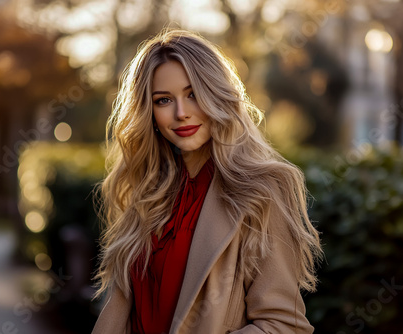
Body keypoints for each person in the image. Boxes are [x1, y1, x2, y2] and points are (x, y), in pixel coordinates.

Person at [91, 29, 323, 334]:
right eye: (163, 100)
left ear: (217, 95)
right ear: (150, 114)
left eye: (193, 94)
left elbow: (282, 325)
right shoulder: (148, 192)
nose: (181, 113)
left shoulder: (262, 189)